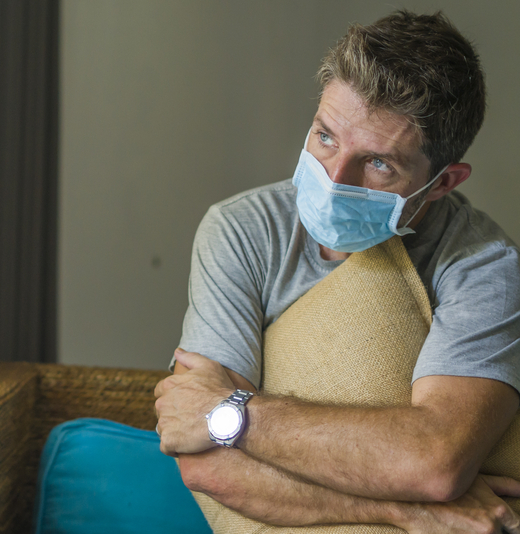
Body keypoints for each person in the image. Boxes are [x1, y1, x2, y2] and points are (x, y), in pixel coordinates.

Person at [153, 10, 520, 533]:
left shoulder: (484, 265)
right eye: (325, 137)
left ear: (443, 182)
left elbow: (435, 463)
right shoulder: (242, 230)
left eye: (378, 164)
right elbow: (204, 463)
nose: (333, 178)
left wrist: (232, 415)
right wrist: (402, 507)